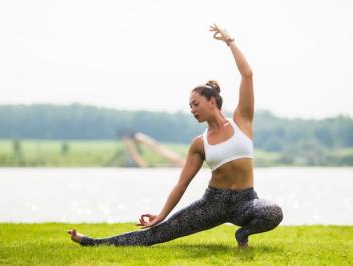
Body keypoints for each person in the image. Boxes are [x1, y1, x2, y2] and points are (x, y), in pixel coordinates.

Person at [67, 23, 283, 249]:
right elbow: (182, 184)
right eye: (190, 106)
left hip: (246, 201)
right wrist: (161, 215)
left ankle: (243, 235)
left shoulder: (242, 121)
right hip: (213, 203)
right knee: (157, 234)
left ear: (212, 101)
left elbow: (247, 75)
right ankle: (90, 242)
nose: (192, 109)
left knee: (273, 212)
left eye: (195, 104)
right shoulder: (199, 143)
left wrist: (230, 41)